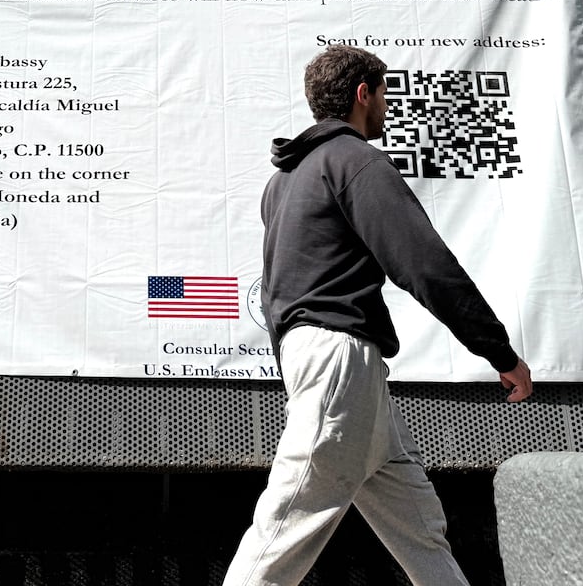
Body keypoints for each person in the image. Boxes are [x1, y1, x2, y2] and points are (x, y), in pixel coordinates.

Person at [223, 45, 533, 586]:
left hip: (321, 360)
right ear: (364, 94)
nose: (388, 105)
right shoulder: (356, 161)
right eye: (385, 92)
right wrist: (498, 351)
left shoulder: (284, 179)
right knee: (284, 526)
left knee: (418, 527)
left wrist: (301, 364)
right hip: (337, 360)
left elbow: (277, 283)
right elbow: (425, 264)